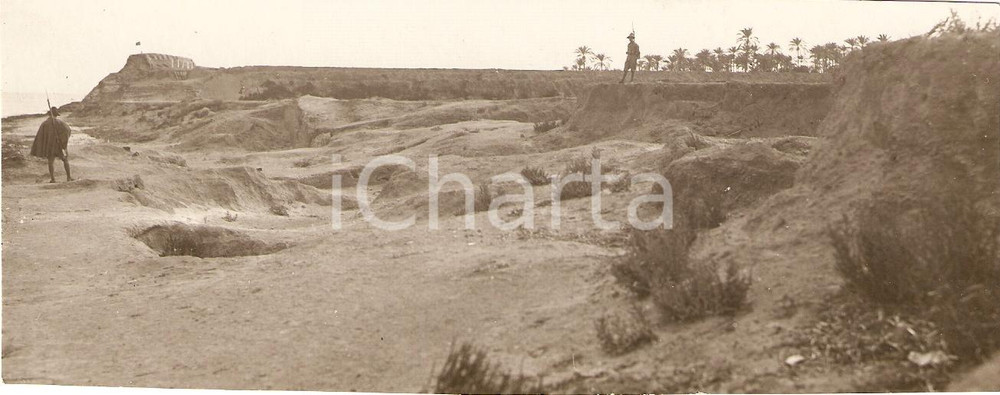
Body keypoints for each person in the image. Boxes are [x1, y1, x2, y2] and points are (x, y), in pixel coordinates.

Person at [30, 107, 73, 183]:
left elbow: (40, 136)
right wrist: (63, 143)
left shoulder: (44, 123)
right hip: (59, 146)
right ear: (56, 114)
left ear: (49, 114)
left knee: (51, 161)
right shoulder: (60, 123)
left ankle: (53, 179)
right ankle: (68, 177)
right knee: (65, 159)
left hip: (50, 147)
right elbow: (67, 130)